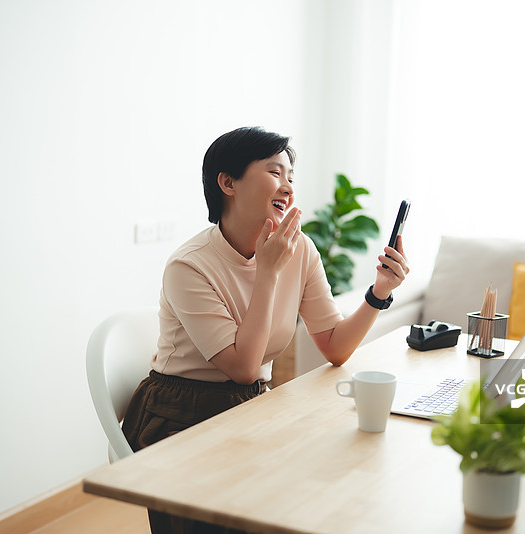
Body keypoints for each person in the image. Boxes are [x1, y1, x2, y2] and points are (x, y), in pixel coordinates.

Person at [121, 126, 409, 533]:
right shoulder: (188, 266)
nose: (287, 186)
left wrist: (380, 292)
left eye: (291, 177)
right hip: (181, 415)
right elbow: (242, 366)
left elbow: (334, 346)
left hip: (251, 403)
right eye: (275, 172)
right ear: (227, 182)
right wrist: (267, 271)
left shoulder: (300, 249)